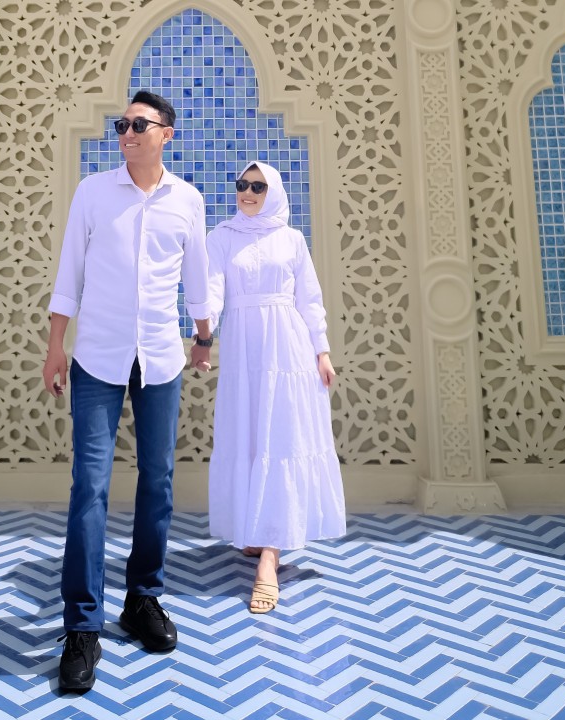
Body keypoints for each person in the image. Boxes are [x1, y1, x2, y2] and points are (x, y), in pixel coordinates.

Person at [43, 90, 213, 692]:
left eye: (140, 125)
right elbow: (69, 273)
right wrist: (55, 345)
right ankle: (82, 626)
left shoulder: (187, 200)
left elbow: (197, 279)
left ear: (167, 133)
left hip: (161, 359)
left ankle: (142, 599)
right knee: (89, 486)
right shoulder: (93, 193)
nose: (128, 133)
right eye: (122, 125)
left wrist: (204, 338)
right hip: (97, 358)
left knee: (158, 481)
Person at [205, 161, 347, 614]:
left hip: (288, 350)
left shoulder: (292, 239)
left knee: (281, 440)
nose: (247, 192)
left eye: (258, 186)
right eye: (242, 184)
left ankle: (270, 556)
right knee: (249, 438)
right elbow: (211, 292)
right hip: (243, 353)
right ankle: (259, 529)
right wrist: (202, 336)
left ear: (275, 192)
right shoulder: (221, 236)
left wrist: (322, 351)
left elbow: (310, 298)